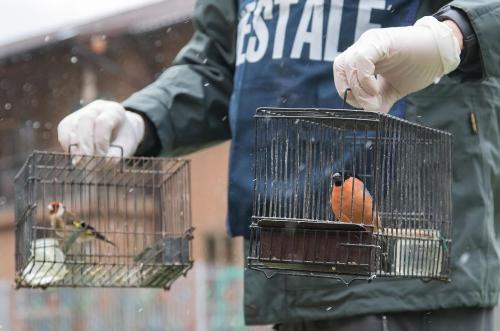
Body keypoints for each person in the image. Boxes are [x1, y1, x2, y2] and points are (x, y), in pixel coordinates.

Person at [57, 0, 500, 330]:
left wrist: (453, 34)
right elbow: (220, 64)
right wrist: (143, 118)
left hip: (410, 264)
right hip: (292, 264)